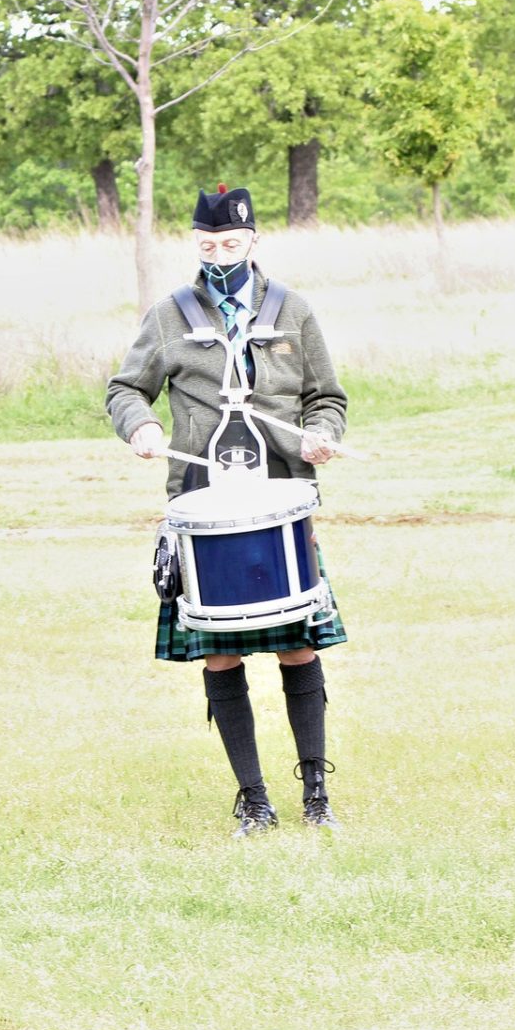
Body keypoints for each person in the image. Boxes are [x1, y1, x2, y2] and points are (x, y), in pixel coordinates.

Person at [106, 185, 349, 836]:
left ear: (253, 241)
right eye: (208, 244)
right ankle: (253, 797)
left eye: (231, 244)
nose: (220, 254)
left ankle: (316, 792)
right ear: (195, 244)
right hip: (202, 506)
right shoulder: (170, 316)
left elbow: (328, 398)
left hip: (283, 503)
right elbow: (126, 389)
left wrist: (323, 436)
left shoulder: (291, 311)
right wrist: (140, 429)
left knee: (298, 648)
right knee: (221, 656)